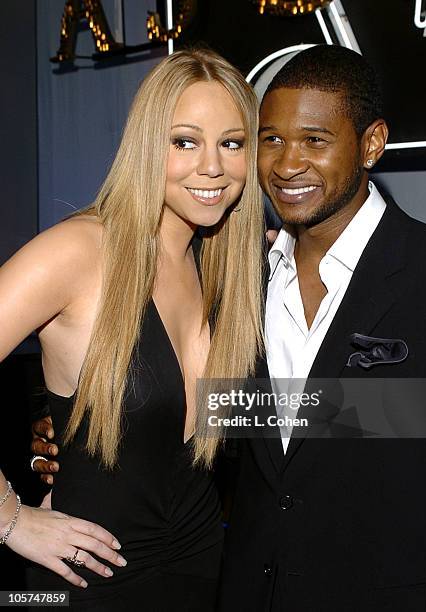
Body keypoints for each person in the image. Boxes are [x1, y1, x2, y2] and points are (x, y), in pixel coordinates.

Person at [0, 48, 263, 611]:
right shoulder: (79, 252)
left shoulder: (227, 274)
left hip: (198, 576)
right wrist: (7, 517)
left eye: (233, 143)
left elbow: (257, 413)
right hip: (81, 587)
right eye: (185, 141)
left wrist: (419, 410)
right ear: (148, 143)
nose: (213, 166)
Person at [215, 45, 426, 611]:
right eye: (271, 139)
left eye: (314, 141)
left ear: (371, 143)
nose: (287, 164)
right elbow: (226, 437)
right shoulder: (238, 279)